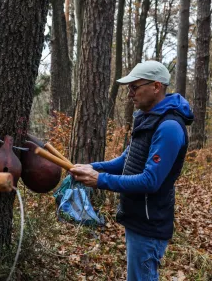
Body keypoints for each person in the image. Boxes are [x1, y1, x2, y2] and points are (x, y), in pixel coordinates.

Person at [70, 60, 194, 280]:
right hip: (136, 218)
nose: (130, 94)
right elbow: (126, 160)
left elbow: (150, 181)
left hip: (149, 225)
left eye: (134, 87)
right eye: (129, 88)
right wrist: (92, 167)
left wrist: (99, 179)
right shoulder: (147, 118)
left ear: (156, 87)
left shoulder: (169, 127)